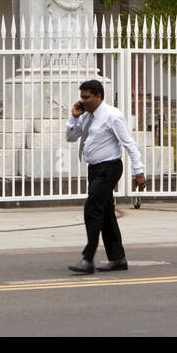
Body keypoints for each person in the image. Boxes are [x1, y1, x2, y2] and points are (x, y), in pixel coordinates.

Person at [65, 79, 147, 274]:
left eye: (87, 97)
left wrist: (139, 172)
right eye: (81, 97)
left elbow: (129, 144)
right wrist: (74, 118)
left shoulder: (113, 116)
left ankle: (87, 259)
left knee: (92, 209)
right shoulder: (86, 116)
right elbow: (71, 137)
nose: (83, 101)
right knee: (107, 214)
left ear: (99, 96)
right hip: (94, 170)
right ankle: (118, 258)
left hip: (109, 168)